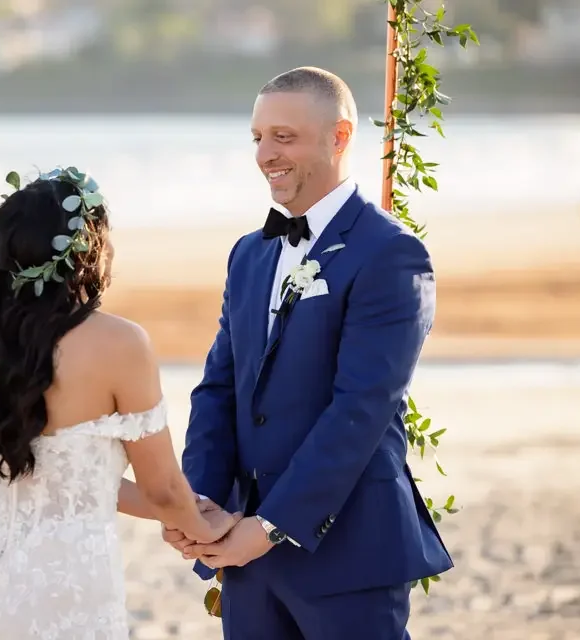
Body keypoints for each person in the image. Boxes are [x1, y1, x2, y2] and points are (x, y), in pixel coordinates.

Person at [162, 67, 454, 639]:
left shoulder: (392, 254)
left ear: (339, 137)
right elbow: (219, 388)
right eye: (258, 138)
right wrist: (198, 508)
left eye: (284, 137)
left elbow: (360, 410)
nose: (265, 154)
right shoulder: (248, 254)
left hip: (348, 556)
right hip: (244, 558)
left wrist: (270, 526)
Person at [0, 167, 242, 639]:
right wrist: (211, 532)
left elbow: (73, 482)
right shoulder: (120, 343)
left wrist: (193, 508)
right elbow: (162, 485)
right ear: (88, 250)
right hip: (66, 587)